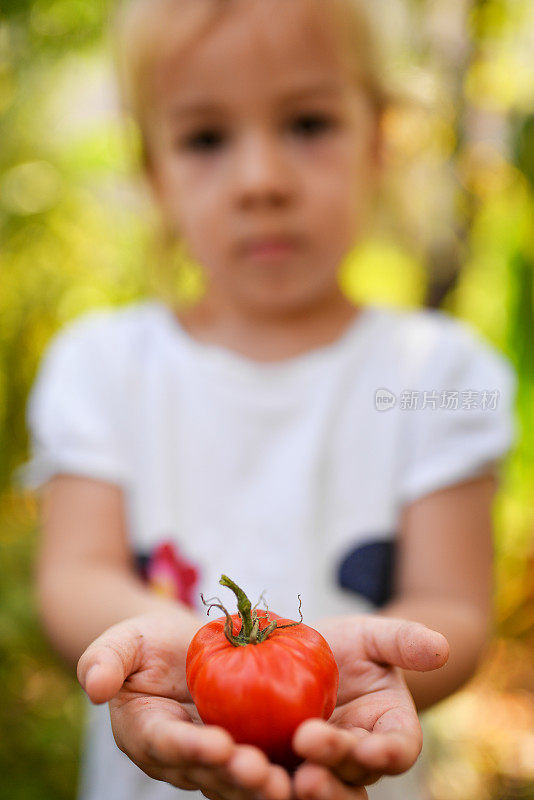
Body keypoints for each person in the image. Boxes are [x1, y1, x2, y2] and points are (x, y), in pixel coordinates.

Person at [14, 0, 516, 799]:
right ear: (154, 172)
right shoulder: (103, 367)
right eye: (207, 139)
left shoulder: (435, 376)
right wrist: (182, 652)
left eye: (309, 123)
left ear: (380, 141)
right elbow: (74, 574)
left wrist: (342, 682)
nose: (263, 181)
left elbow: (453, 604)